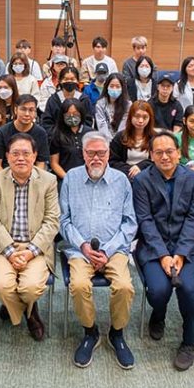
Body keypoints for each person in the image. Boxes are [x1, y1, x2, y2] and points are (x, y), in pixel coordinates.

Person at [59, 131, 137, 369]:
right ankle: (90, 331)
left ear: (108, 154)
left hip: (114, 249)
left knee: (124, 286)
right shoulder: (71, 178)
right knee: (80, 285)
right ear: (83, 154)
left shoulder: (121, 181)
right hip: (79, 249)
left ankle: (116, 332)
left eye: (101, 153)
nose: (96, 158)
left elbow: (129, 222)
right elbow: (64, 221)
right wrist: (83, 245)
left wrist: (109, 250)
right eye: (91, 153)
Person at [133, 129, 194, 371]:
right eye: (159, 152)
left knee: (187, 289)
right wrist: (164, 255)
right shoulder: (142, 180)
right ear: (151, 155)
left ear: (178, 153)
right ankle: (159, 313)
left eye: (169, 151)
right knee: (158, 291)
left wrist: (180, 254)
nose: (165, 156)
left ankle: (189, 341)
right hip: (154, 247)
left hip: (186, 248)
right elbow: (144, 220)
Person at [0, 132, 59, 342]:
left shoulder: (48, 181)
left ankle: (17, 308)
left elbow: (52, 221)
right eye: (15, 153)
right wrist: (10, 252)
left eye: (26, 153)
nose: (21, 158)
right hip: (3, 246)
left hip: (36, 246)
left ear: (35, 156)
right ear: (7, 156)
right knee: (1, 286)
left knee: (31, 287)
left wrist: (29, 252)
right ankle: (30, 312)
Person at [0, 94, 49, 171]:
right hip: (6, 173)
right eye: (23, 109)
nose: (27, 114)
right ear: (15, 110)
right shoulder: (2, 132)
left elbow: (40, 164)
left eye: (31, 110)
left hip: (32, 175)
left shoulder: (41, 133)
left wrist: (31, 180)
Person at [42, 64, 94, 134]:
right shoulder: (53, 100)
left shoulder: (84, 100)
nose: (69, 81)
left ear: (78, 81)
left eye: (72, 79)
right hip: (57, 138)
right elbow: (47, 122)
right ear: (60, 81)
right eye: (66, 79)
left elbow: (88, 121)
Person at [109, 100, 156, 178]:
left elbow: (158, 160)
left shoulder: (155, 138)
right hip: (124, 176)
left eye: (145, 117)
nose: (140, 121)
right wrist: (130, 170)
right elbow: (112, 161)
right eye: (137, 116)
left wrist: (140, 167)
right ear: (130, 117)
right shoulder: (120, 137)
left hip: (149, 177)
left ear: (150, 118)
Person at [49, 98, 88, 181]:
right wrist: (68, 178)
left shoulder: (90, 133)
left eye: (75, 113)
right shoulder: (57, 134)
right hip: (65, 178)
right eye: (68, 114)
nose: (72, 117)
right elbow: (54, 163)